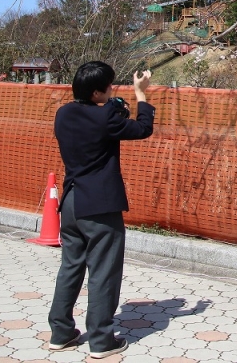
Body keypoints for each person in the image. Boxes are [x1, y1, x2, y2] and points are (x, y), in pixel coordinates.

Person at [47, 62, 155, 359]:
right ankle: (101, 339)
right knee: (103, 272)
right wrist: (140, 94)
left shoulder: (64, 113)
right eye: (109, 86)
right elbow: (143, 128)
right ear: (97, 92)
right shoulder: (107, 115)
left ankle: (61, 332)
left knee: (71, 266)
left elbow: (103, 117)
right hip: (100, 205)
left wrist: (114, 107)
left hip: (70, 202)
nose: (112, 89)